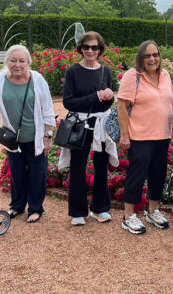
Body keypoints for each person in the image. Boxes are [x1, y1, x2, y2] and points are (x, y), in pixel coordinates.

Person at [0, 44, 56, 223]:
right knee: (16, 173)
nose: (17, 64)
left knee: (37, 173)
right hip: (13, 139)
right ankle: (16, 206)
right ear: (7, 61)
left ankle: (35, 208)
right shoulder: (0, 80)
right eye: (13, 60)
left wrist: (48, 136)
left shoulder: (37, 80)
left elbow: (47, 110)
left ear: (28, 62)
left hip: (36, 137)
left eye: (22, 61)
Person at [116, 40, 173, 235]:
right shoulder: (132, 76)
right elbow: (122, 107)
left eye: (155, 54)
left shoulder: (165, 75)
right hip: (139, 136)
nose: (152, 59)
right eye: (147, 55)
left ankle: (153, 210)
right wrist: (124, 135)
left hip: (162, 135)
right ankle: (128, 216)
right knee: (136, 176)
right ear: (141, 57)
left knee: (158, 175)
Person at [60, 31, 117, 226]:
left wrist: (109, 97)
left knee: (101, 166)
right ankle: (77, 211)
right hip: (80, 123)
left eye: (94, 47)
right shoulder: (73, 71)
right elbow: (68, 102)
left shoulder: (106, 71)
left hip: (100, 123)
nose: (90, 51)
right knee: (78, 167)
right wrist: (96, 97)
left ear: (100, 49)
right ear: (80, 49)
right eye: (86, 47)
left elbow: (107, 105)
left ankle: (99, 208)